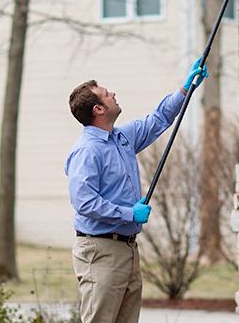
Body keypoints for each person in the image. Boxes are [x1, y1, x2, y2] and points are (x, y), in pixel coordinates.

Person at [64, 58, 208, 323]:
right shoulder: (87, 151)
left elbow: (159, 119)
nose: (113, 94)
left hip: (128, 249)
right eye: (107, 94)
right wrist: (129, 213)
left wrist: (185, 90)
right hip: (100, 250)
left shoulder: (121, 138)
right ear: (98, 109)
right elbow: (84, 203)